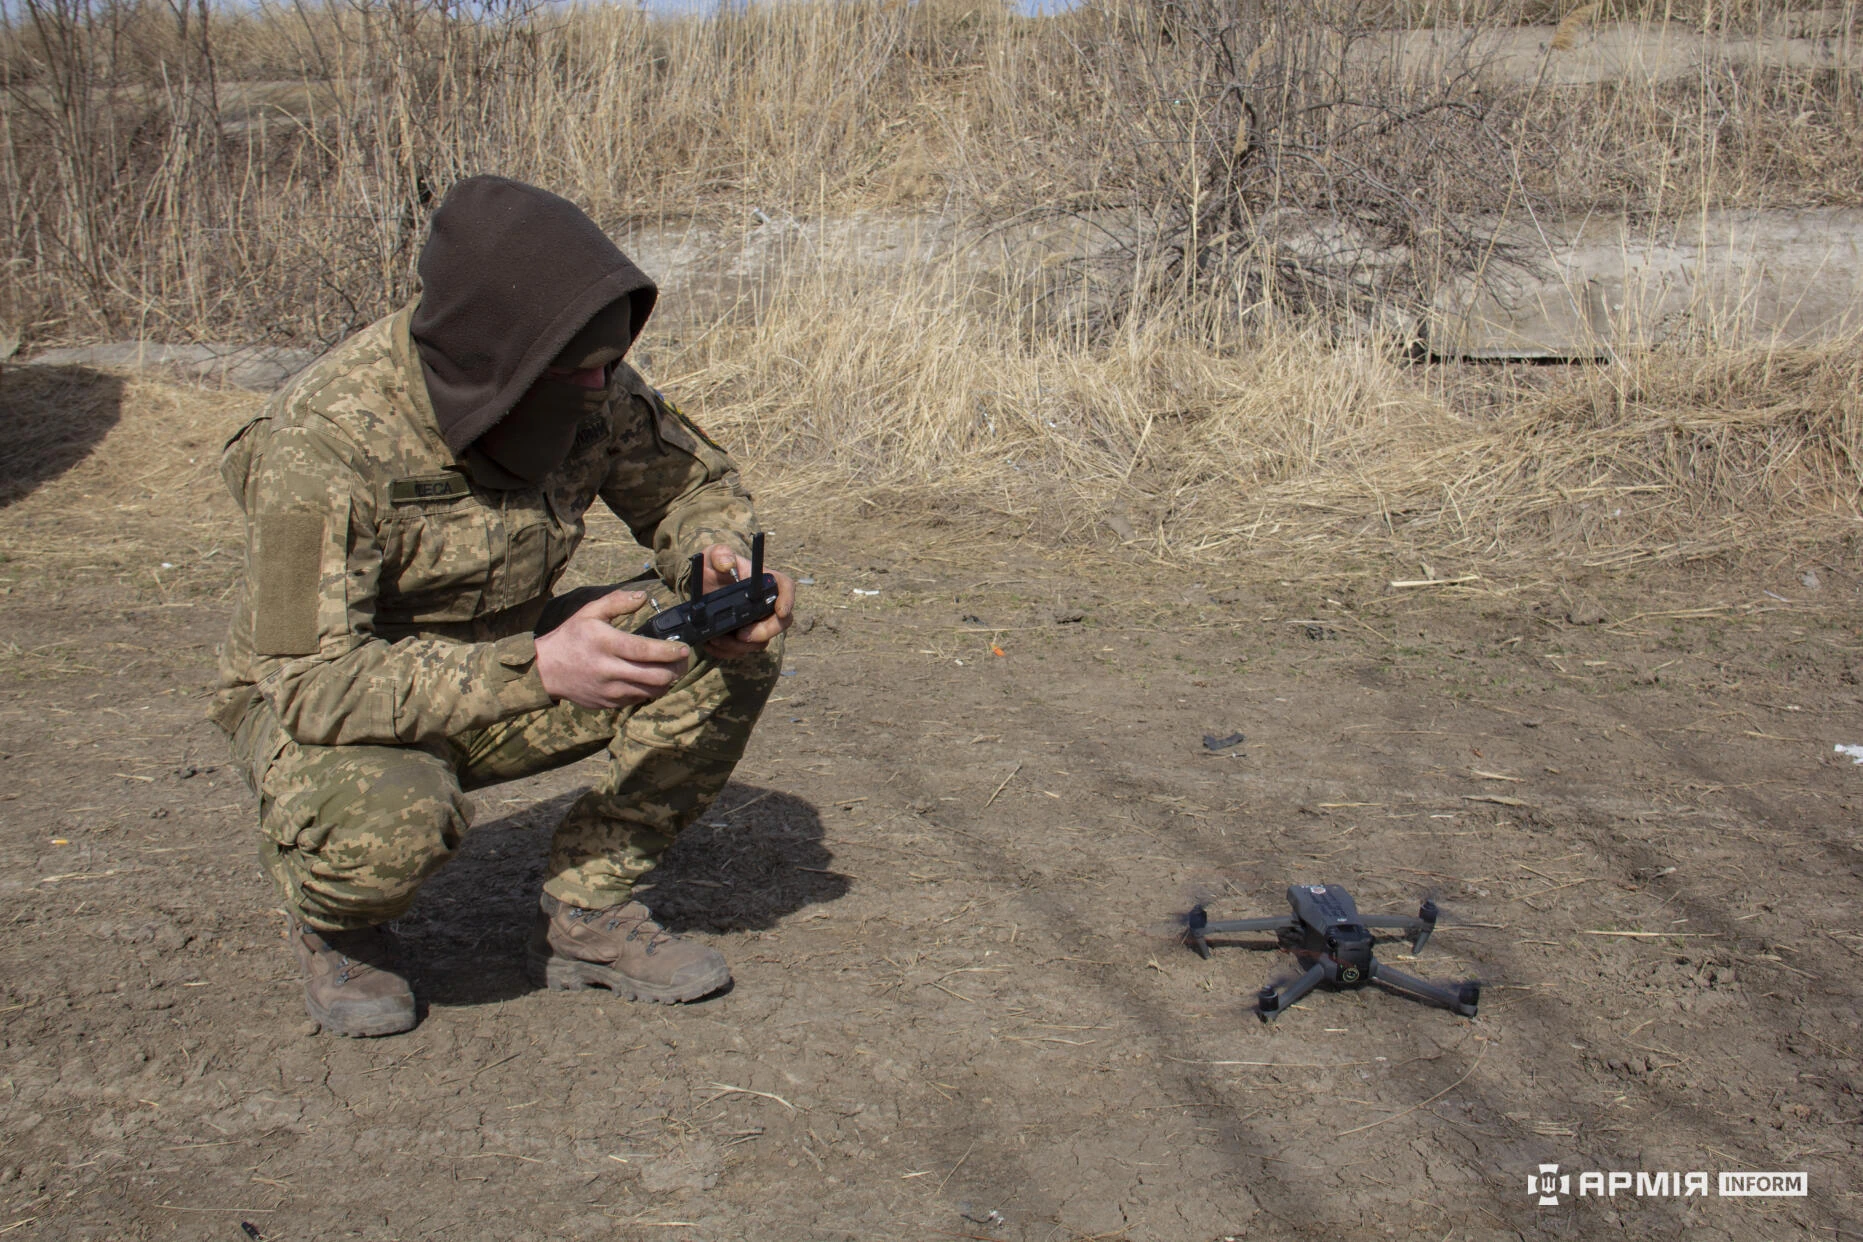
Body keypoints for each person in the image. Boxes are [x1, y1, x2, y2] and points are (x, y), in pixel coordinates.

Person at [210, 176, 795, 1037]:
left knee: (721, 644)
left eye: (608, 364)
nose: (602, 388)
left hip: (516, 653)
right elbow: (311, 684)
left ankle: (589, 911)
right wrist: (541, 667)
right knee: (389, 824)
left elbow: (691, 489)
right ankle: (339, 925)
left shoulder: (588, 377)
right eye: (578, 371)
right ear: (496, 357)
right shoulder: (326, 434)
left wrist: (713, 561)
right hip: (344, 702)